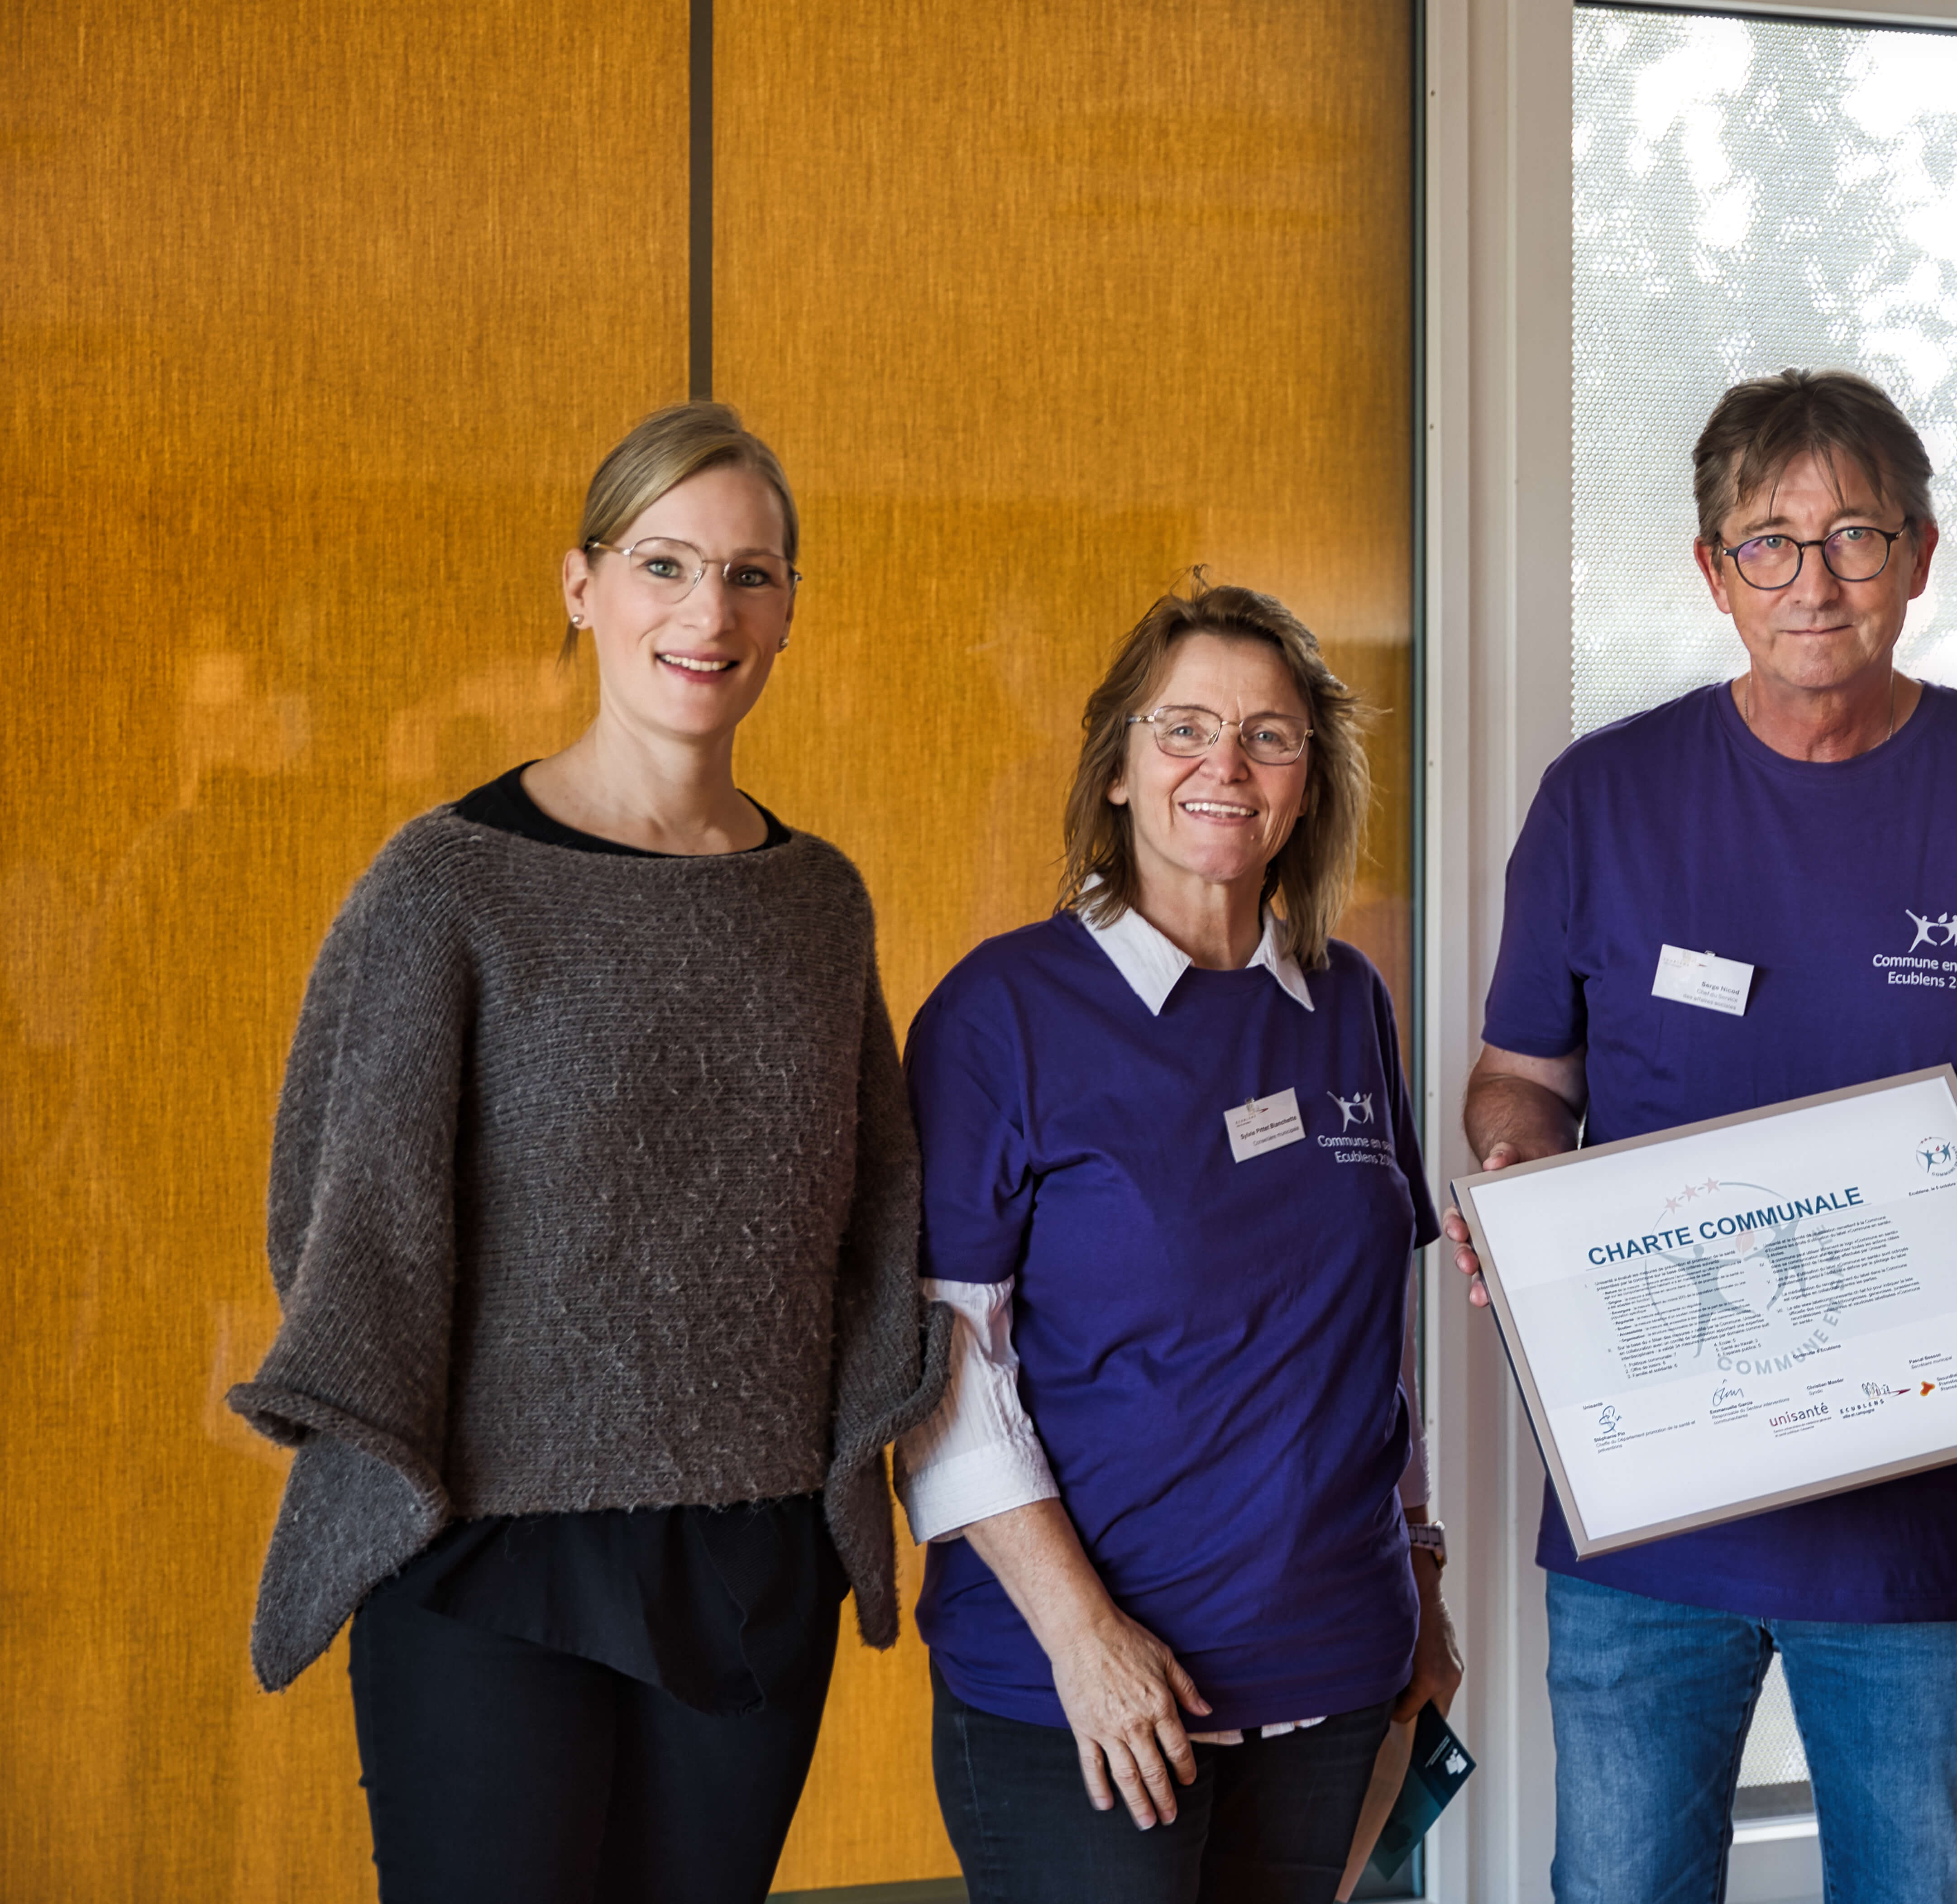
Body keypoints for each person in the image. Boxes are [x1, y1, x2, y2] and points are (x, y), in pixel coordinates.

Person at [1445, 368, 1957, 1903]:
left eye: (1855, 533)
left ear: (1921, 554)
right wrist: (1515, 1182)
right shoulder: (1603, 799)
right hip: (1650, 1520)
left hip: (1919, 1518)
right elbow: (1521, 1074)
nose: (1815, 579)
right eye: (1768, 541)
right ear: (1713, 573)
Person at [228, 401, 945, 1904]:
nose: (710, 612)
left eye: (752, 575)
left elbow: (876, 1212)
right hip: (490, 1551)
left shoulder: (820, 905)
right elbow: (343, 1211)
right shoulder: (448, 887)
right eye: (666, 564)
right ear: (583, 587)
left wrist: (843, 1465)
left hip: (752, 1554)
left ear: (791, 610)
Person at [898, 581, 1461, 1904]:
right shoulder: (1002, 1015)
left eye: (1269, 736)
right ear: (1117, 768)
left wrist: (1421, 1577)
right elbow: (942, 1375)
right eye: (1185, 728)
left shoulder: (1348, 1000)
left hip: (1335, 1667)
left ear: (1310, 781)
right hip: (1087, 1698)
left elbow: (1380, 1330)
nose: (1226, 765)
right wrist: (1085, 1639)